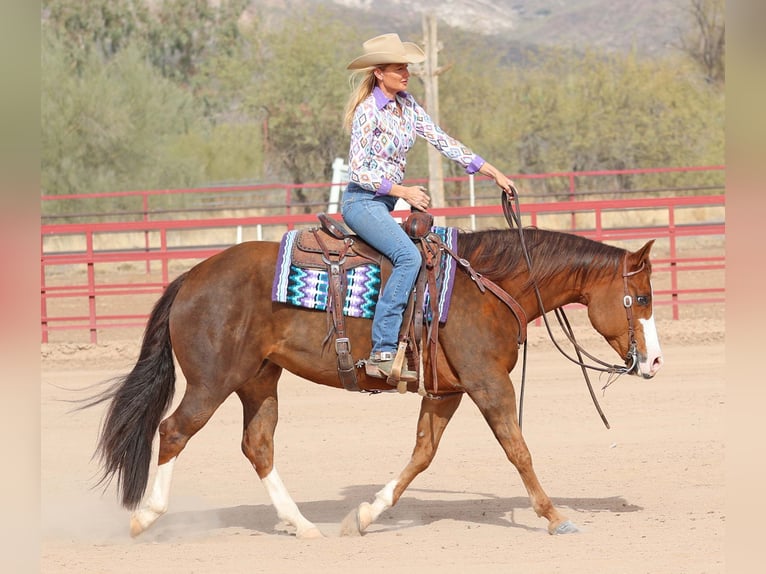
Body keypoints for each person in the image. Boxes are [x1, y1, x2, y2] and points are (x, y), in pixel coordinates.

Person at [341, 32, 514, 382]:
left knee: (435, 252)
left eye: (406, 66)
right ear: (379, 73)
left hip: (383, 203)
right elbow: (358, 171)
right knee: (409, 257)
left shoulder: (407, 106)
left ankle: (423, 336)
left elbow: (442, 140)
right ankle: (382, 349)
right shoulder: (367, 112)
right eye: (398, 68)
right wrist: (403, 190)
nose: (406, 73)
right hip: (362, 202)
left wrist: (490, 170)